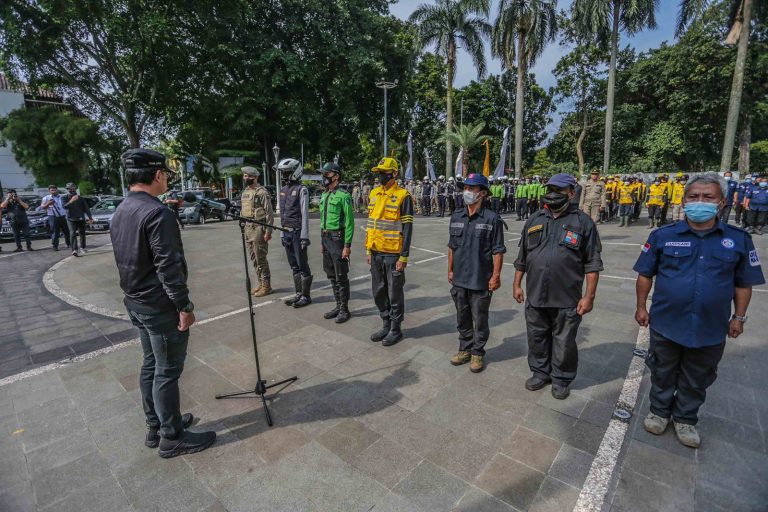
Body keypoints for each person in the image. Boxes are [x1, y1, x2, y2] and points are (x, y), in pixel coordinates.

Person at [633, 172, 765, 448]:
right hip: (667, 322)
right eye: (694, 197)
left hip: (710, 325)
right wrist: (641, 306)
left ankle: (685, 419)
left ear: (722, 202)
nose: (700, 202)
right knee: (662, 370)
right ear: (684, 199)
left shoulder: (738, 239)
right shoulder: (663, 236)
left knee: (698, 375)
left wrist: (738, 318)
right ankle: (659, 412)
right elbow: (645, 274)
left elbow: (744, 284)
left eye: (708, 197)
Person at [110, 148, 215, 458]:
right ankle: (172, 436)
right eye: (166, 173)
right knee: (166, 370)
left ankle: (156, 425)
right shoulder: (157, 213)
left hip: (136, 302)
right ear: (157, 175)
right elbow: (168, 266)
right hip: (158, 305)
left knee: (151, 364)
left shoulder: (122, 209)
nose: (167, 178)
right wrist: (184, 306)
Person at [513, 173, 603, 399]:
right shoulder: (534, 219)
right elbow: (522, 256)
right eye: (550, 190)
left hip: (566, 298)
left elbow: (592, 263)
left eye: (559, 191)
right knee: (536, 337)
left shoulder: (583, 222)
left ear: (571, 193)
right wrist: (517, 284)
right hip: (535, 295)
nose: (553, 195)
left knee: (564, 341)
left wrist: (589, 296)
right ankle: (540, 372)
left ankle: (561, 378)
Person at [447, 173, 505, 373]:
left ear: (482, 193)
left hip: (480, 279)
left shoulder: (492, 219)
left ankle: (478, 353)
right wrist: (450, 270)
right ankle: (465, 349)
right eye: (466, 188)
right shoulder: (456, 216)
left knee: (480, 319)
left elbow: (498, 250)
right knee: (462, 317)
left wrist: (496, 275)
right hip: (460, 278)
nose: (467, 192)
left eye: (472, 189)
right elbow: (451, 246)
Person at [366, 157, 414, 346]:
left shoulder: (403, 196)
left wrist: (404, 256)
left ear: (394, 173)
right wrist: (368, 249)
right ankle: (385, 323)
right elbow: (371, 224)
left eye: (383, 172)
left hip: (394, 254)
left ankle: (395, 328)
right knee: (378, 291)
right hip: (376, 251)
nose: (379, 176)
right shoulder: (374, 193)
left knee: (395, 293)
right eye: (378, 172)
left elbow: (408, 228)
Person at [319, 162, 354, 323]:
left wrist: (347, 246)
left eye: (327, 174)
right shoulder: (325, 195)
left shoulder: (344, 196)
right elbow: (322, 220)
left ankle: (344, 309)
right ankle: (338, 305)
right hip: (326, 238)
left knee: (341, 276)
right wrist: (322, 241)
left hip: (337, 239)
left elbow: (349, 222)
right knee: (331, 275)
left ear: (336, 176)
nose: (324, 177)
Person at [278, 158, 313, 308]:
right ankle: (298, 293)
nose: (284, 175)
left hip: (298, 233)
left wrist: (304, 236)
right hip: (286, 233)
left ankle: (306, 296)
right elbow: (282, 214)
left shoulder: (301, 189)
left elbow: (305, 215)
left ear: (295, 172)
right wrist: (281, 233)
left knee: (302, 264)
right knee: (294, 266)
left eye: (286, 172)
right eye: (283, 173)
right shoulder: (283, 190)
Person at [240, 166, 274, 296]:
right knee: (254, 258)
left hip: (259, 228)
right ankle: (260, 283)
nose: (245, 178)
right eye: (244, 176)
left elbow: (269, 213)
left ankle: (267, 286)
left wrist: (268, 231)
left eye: (248, 176)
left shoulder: (262, 192)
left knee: (261, 258)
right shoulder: (245, 192)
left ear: (255, 177)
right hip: (248, 228)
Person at [62, 182, 93, 257]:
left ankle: (82, 247)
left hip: (80, 218)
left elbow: (86, 208)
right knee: (72, 233)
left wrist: (90, 218)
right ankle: (74, 250)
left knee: (82, 233)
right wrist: (71, 201)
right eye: (70, 188)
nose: (72, 190)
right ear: (67, 189)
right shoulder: (64, 197)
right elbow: (64, 207)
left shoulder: (81, 198)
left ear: (75, 188)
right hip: (70, 218)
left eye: (73, 188)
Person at [41, 185, 70, 251]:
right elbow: (42, 207)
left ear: (57, 190)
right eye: (52, 190)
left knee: (67, 231)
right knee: (55, 231)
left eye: (55, 190)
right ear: (49, 191)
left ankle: (69, 243)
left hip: (63, 216)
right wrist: (48, 203)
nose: (53, 191)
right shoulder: (46, 198)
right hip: (53, 216)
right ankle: (55, 246)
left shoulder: (62, 197)